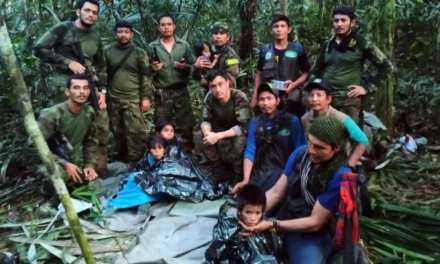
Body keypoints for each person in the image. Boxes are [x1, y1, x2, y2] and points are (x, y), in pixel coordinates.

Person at [240, 115, 352, 264]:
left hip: (310, 231)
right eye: (310, 142)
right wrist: (251, 213)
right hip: (286, 215)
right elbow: (276, 193)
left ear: (336, 148)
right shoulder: (300, 154)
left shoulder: (339, 175)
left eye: (319, 147)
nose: (311, 150)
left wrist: (273, 225)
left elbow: (316, 222)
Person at [33, 0, 109, 175]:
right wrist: (67, 62)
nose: (90, 15)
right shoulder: (63, 29)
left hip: (89, 87)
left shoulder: (95, 38)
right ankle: (64, 170)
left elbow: (101, 66)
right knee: (63, 131)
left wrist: (102, 91)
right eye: (87, 10)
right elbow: (39, 49)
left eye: (94, 12)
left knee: (100, 127)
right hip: (64, 88)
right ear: (78, 12)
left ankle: (96, 170)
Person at [311, 5, 392, 121]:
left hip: (348, 101)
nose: (339, 24)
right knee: (322, 135)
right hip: (326, 100)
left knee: (347, 136)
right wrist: (313, 93)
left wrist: (366, 88)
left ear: (352, 23)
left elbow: (387, 67)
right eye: (336, 20)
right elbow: (316, 70)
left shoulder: (361, 43)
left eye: (343, 20)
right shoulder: (328, 44)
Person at [233, 82, 305, 193]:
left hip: (284, 172)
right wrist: (246, 179)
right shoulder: (255, 123)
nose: (265, 103)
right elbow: (250, 152)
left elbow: (300, 150)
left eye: (269, 98)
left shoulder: (291, 121)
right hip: (261, 172)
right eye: (261, 99)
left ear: (277, 101)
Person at [148, 14, 203, 153]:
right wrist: (153, 69)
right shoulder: (152, 47)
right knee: (162, 123)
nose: (166, 27)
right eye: (163, 25)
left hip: (181, 90)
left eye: (169, 24)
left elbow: (194, 65)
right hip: (162, 91)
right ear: (158, 27)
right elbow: (146, 71)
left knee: (186, 123)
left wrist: (184, 67)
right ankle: (162, 153)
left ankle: (187, 153)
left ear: (174, 26)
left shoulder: (183, 45)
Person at [104, 20, 152, 163]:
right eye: (120, 32)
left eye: (126, 32)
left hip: (133, 99)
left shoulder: (139, 53)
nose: (123, 35)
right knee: (117, 132)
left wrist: (145, 98)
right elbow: (101, 74)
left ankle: (136, 161)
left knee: (135, 132)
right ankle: (121, 160)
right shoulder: (107, 51)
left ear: (131, 34)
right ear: (115, 34)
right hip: (113, 99)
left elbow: (146, 76)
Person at [37, 74, 98, 185]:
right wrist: (64, 164)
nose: (82, 92)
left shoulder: (89, 112)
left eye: (85, 88)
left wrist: (89, 165)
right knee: (57, 175)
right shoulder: (52, 115)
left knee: (95, 185)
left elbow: (91, 141)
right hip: (49, 162)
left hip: (73, 161)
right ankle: (50, 198)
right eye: (76, 88)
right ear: (67, 92)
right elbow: (34, 147)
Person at [194, 70, 252, 185]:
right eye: (213, 86)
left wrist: (218, 136)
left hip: (234, 134)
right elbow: (205, 121)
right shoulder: (210, 98)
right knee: (199, 135)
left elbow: (244, 127)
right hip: (218, 132)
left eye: (220, 84)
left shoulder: (239, 97)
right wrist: (207, 134)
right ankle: (219, 173)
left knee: (241, 140)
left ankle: (238, 176)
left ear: (227, 83)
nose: (218, 89)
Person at [251, 15, 311, 118]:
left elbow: (306, 73)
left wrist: (294, 84)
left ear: (289, 29)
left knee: (291, 125)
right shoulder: (265, 50)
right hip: (269, 98)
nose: (279, 29)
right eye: (276, 26)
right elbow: (259, 74)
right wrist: (255, 95)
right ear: (271, 30)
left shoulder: (297, 49)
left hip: (291, 98)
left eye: (283, 26)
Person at [205, 184, 282, 263]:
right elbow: (215, 254)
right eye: (248, 212)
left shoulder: (267, 227)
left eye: (257, 213)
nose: (253, 218)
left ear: (262, 212)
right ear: (239, 211)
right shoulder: (229, 228)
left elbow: (277, 243)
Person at [302, 78, 368, 168]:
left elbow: (363, 141)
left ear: (328, 99)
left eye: (319, 95)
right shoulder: (305, 118)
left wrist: (350, 163)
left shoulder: (341, 119)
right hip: (315, 161)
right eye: (311, 95)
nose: (314, 99)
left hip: (338, 163)